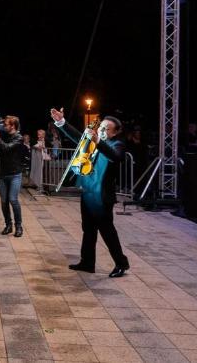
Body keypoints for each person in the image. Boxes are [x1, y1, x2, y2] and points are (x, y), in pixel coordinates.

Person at [50, 108, 130, 278]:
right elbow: (77, 137)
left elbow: (116, 157)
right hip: (88, 192)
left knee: (107, 231)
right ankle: (87, 262)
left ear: (115, 133)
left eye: (106, 129)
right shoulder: (94, 142)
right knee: (88, 229)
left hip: (102, 197)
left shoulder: (117, 145)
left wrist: (98, 142)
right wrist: (62, 122)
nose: (101, 130)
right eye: (101, 127)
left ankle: (121, 263)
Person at [0, 116, 28, 237]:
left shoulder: (19, 138)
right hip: (3, 174)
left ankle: (19, 226)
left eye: (6, 124)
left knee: (13, 199)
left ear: (13, 126)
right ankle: (8, 225)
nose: (4, 126)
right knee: (4, 202)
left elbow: (7, 148)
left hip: (15, 174)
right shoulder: (4, 136)